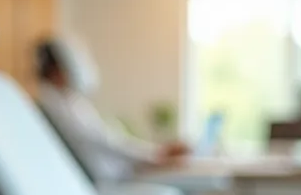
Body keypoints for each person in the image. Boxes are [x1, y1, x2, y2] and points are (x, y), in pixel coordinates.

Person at [36, 39, 189, 185]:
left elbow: (108, 140)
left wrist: (154, 153)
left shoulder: (70, 100)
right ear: (55, 69)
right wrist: (155, 155)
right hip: (111, 179)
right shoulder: (57, 106)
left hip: (120, 171)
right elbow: (105, 142)